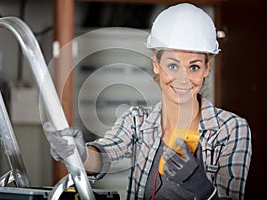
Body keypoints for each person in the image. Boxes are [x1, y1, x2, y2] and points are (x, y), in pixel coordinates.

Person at [45, 3, 252, 200]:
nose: (183, 78)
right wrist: (78, 153)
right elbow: (104, 155)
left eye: (194, 67)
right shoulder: (137, 121)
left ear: (207, 68)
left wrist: (203, 188)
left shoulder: (231, 129)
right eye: (172, 66)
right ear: (156, 64)